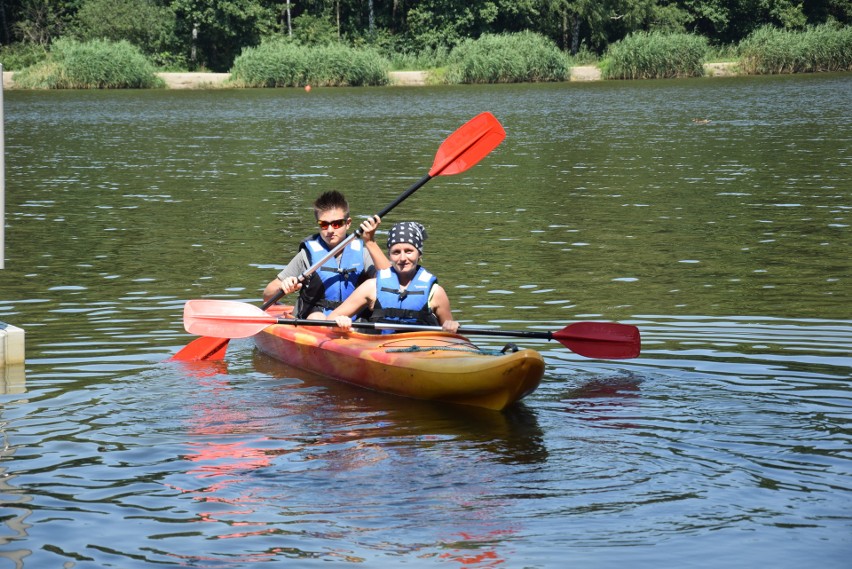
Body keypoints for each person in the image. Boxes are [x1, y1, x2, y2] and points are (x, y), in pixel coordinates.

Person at [262, 191, 389, 319]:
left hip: (353, 320)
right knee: (316, 317)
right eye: (324, 224)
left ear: (348, 223)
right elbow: (267, 295)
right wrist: (284, 286)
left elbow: (391, 281)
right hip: (316, 318)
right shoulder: (306, 255)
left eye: (336, 224)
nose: (330, 230)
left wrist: (371, 242)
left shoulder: (363, 253)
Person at [328, 221, 460, 334]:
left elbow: (452, 335)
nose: (402, 258)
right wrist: (340, 321)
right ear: (390, 255)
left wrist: (451, 326)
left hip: (423, 352)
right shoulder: (371, 287)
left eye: (409, 251)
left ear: (419, 254)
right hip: (380, 351)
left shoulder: (436, 293)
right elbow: (329, 321)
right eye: (396, 252)